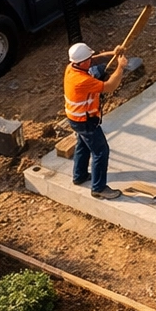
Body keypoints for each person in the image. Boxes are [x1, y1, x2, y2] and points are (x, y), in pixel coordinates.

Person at [64, 41, 127, 199]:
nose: (92, 61)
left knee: (83, 145)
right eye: (89, 59)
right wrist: (120, 67)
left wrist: (114, 53)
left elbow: (96, 59)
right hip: (85, 121)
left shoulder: (71, 67)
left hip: (75, 118)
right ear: (83, 62)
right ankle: (98, 188)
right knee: (101, 151)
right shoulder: (82, 81)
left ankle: (80, 176)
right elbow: (110, 86)